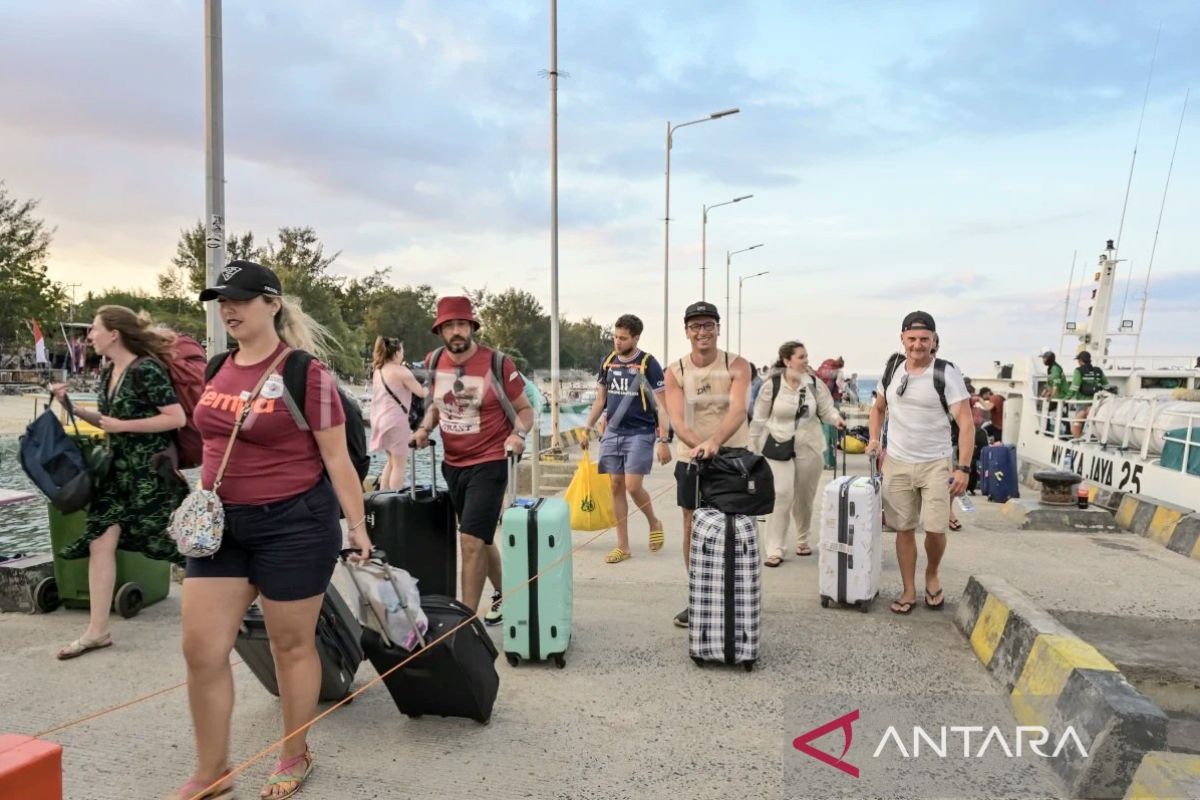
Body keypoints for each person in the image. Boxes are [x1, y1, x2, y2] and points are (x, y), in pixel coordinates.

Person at [172, 260, 370, 800]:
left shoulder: (306, 373)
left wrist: (357, 526)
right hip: (221, 530)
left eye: (239, 299)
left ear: (272, 304)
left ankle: (294, 753)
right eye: (221, 301)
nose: (228, 309)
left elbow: (337, 460)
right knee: (201, 649)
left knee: (290, 645)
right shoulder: (216, 368)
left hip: (294, 526)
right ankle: (213, 770)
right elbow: (208, 442)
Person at [49, 306, 189, 660]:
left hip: (148, 474)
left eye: (94, 329)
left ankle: (245, 598)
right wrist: (73, 407)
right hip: (115, 472)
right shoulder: (109, 370)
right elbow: (110, 420)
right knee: (99, 543)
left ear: (115, 333)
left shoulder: (147, 370)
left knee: (177, 546)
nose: (89, 336)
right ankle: (97, 631)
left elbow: (176, 418)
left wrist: (124, 426)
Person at [411, 296, 534, 624]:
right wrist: (424, 430)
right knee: (478, 538)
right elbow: (437, 406)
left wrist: (517, 435)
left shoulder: (498, 363)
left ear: (472, 326)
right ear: (440, 331)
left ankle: (464, 623)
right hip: (453, 465)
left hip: (491, 462)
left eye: (462, 324)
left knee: (468, 540)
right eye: (449, 325)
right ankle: (508, 594)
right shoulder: (434, 360)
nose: (456, 331)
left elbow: (525, 410)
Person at [866, 311, 974, 615]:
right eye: (911, 339)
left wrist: (963, 468)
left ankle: (932, 573)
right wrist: (875, 439)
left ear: (934, 340)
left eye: (924, 339)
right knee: (903, 528)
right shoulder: (892, 370)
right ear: (902, 338)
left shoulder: (946, 373)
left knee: (937, 528)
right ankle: (908, 589)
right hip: (897, 463)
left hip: (935, 464)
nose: (917, 345)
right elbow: (878, 409)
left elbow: (966, 423)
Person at [663, 301, 751, 628]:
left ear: (718, 328)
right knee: (692, 524)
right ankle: (698, 594)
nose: (703, 332)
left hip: (733, 455)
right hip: (692, 458)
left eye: (708, 325)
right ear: (687, 331)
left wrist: (715, 442)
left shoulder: (738, 365)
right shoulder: (676, 371)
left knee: (736, 525)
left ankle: (735, 594)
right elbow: (676, 417)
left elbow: (738, 410)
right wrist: (697, 445)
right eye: (696, 326)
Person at [582, 314, 671, 564]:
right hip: (612, 432)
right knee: (615, 486)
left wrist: (663, 441)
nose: (617, 342)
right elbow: (601, 400)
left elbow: (662, 406)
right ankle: (623, 546)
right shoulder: (608, 361)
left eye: (623, 338)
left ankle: (654, 521)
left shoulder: (648, 364)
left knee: (632, 486)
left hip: (641, 433)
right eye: (615, 337)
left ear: (636, 338)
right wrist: (587, 427)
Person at [749, 341, 843, 566]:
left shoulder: (813, 383)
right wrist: (752, 448)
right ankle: (774, 548)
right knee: (780, 494)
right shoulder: (771, 385)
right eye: (802, 357)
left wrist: (836, 419)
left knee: (804, 497)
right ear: (787, 360)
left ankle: (802, 538)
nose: (806, 360)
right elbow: (759, 418)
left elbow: (826, 408)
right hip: (777, 446)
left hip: (808, 446)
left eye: (806, 356)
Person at [369, 336, 427, 491]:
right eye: (402, 351)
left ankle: (383, 498)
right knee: (400, 466)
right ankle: (395, 502)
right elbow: (421, 392)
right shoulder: (401, 371)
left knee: (391, 462)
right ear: (395, 353)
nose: (403, 354)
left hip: (379, 421)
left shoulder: (378, 371)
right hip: (396, 422)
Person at [1067, 350, 1107, 438]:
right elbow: (1106, 385)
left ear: (1081, 361)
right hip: (1096, 404)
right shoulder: (1098, 370)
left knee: (1077, 425)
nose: (1078, 362)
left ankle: (1078, 439)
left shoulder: (1078, 371)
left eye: (1078, 360)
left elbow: (1074, 386)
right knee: (1093, 424)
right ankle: (1092, 438)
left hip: (1082, 403)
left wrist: (1067, 397)